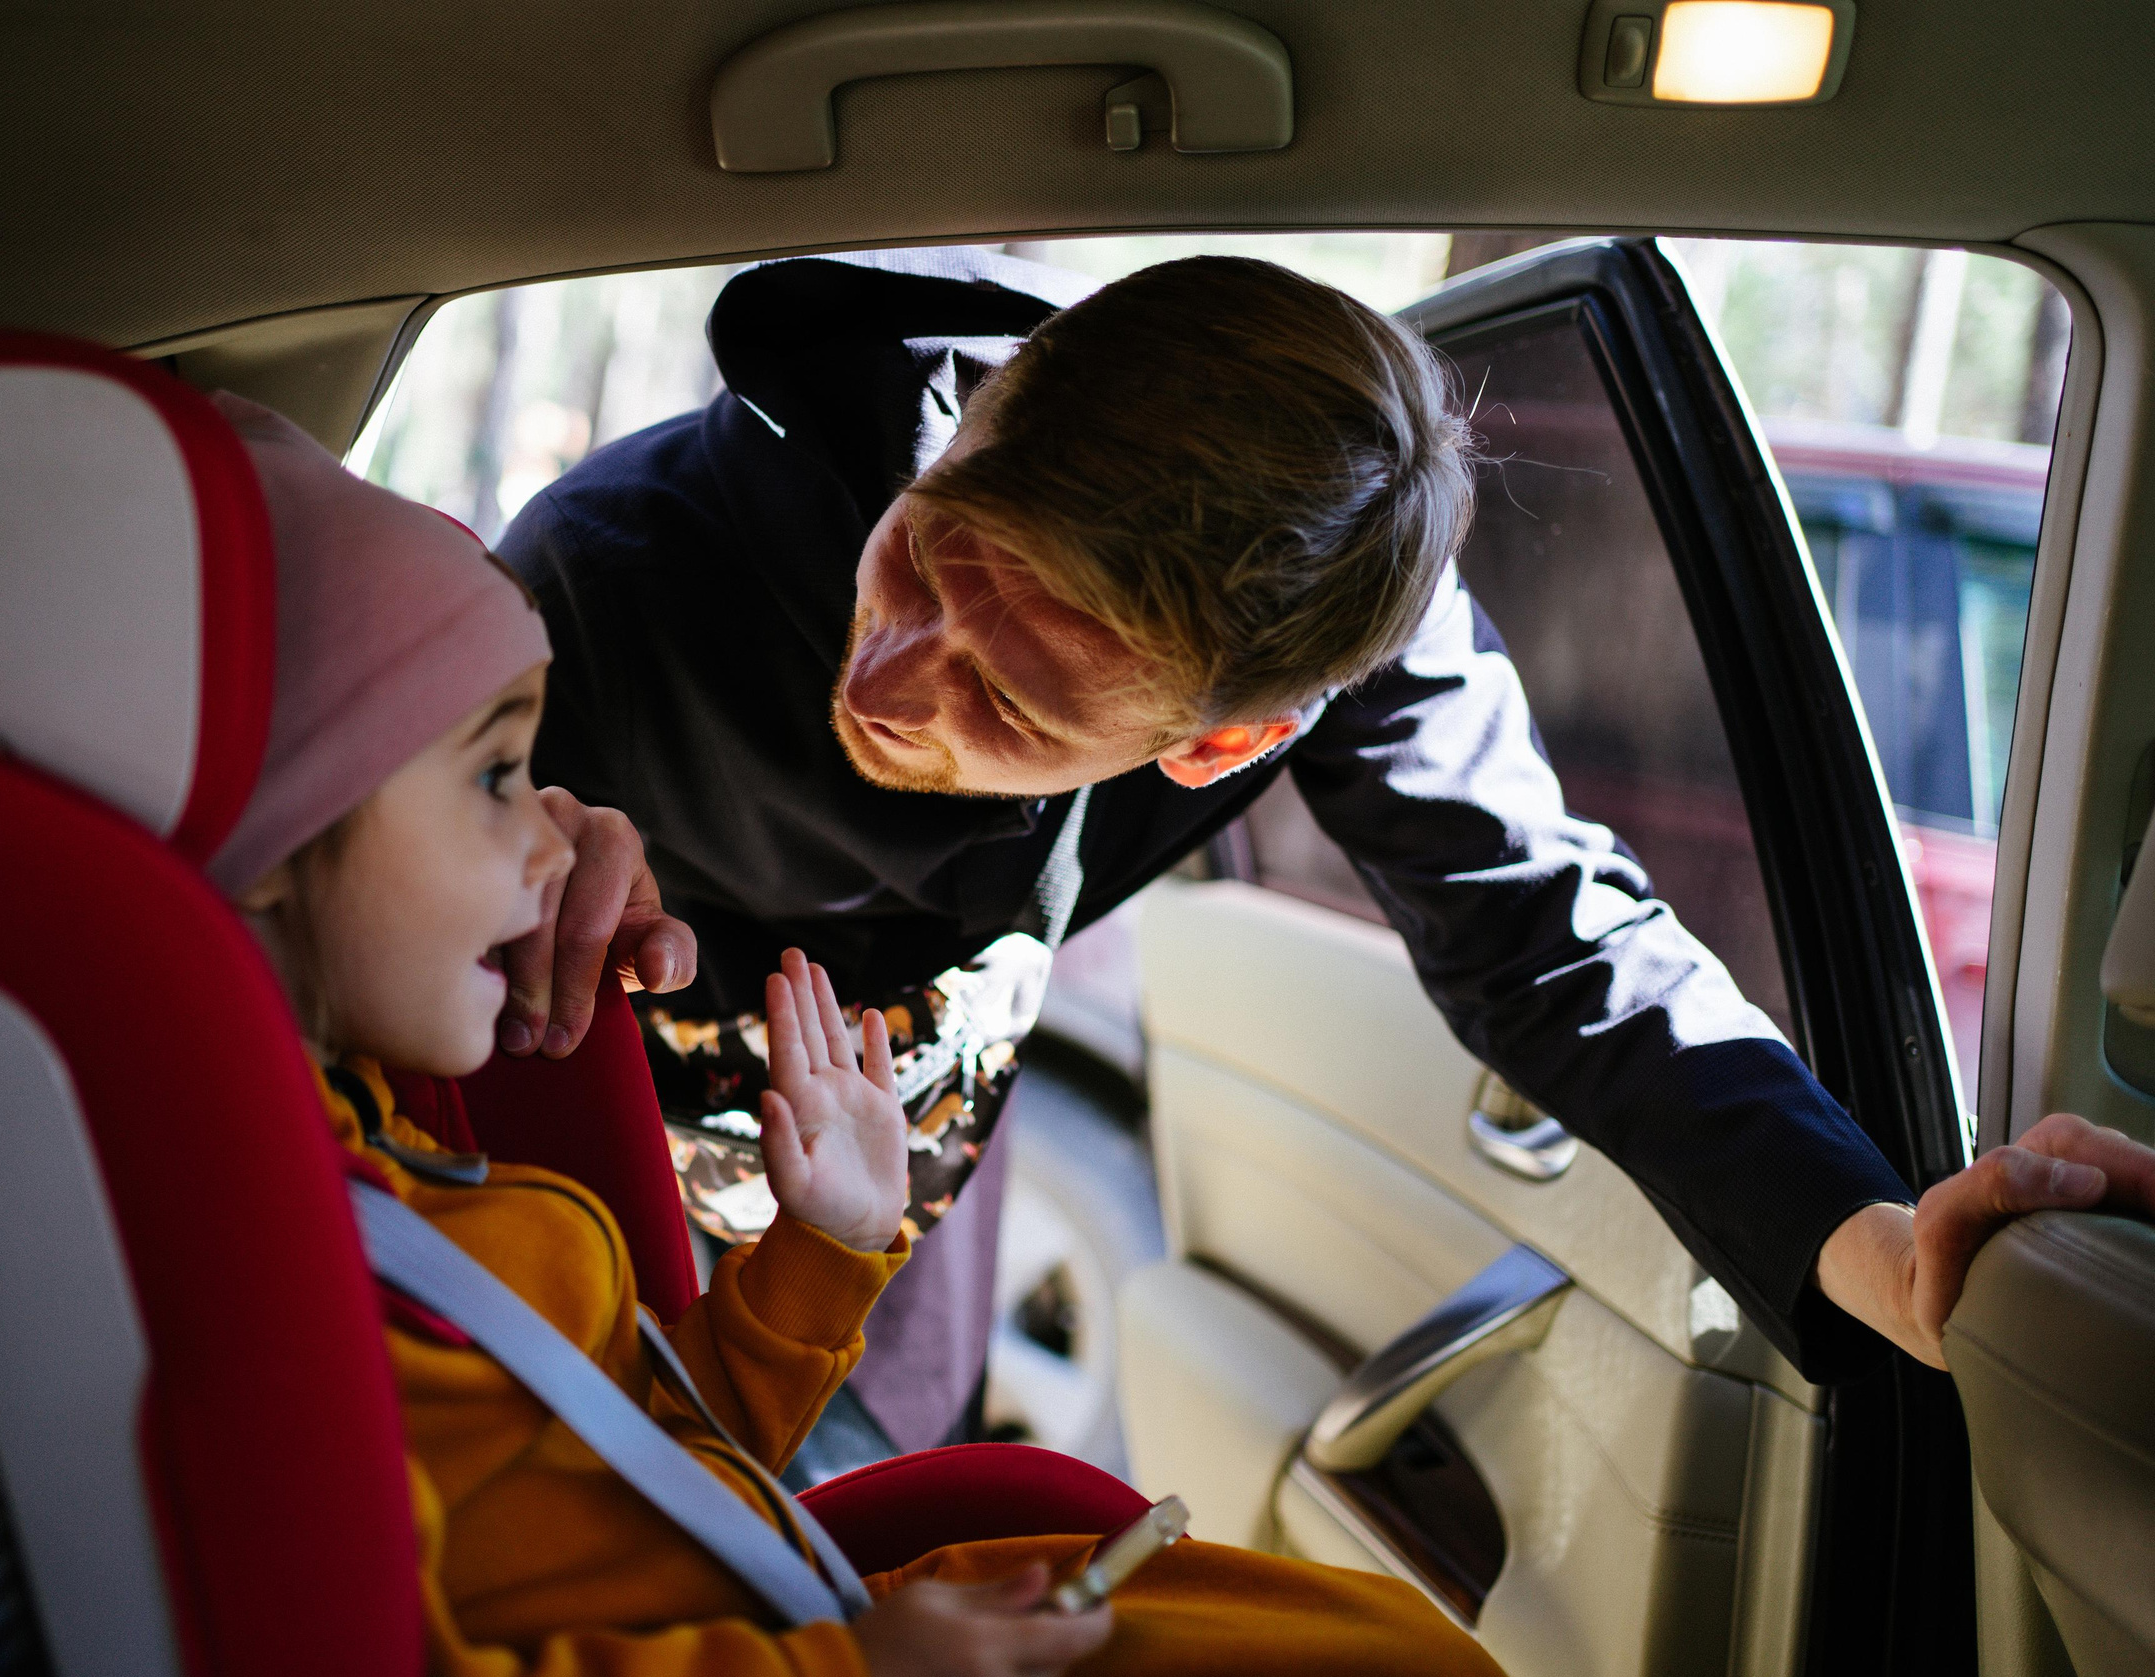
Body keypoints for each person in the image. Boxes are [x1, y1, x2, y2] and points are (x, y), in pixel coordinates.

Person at [489, 247, 2153, 1470]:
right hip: (585, 1112)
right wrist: (513, 832)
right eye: (926, 558)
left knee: (871, 1475)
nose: (885, 674)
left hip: (902, 1150)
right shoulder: (611, 570)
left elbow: (1555, 943)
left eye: (1005, 697)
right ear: (988, 413)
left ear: (1224, 744)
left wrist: (1889, 1251)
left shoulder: (1337, 628)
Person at [201, 391, 1527, 1677]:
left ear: (1215, 746)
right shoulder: (298, 1282)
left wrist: (822, 1253)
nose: (569, 831)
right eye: (502, 779)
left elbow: (649, 1468)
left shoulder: (416, 1182)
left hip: (765, 1602)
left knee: (1399, 1657)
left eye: (1011, 702)